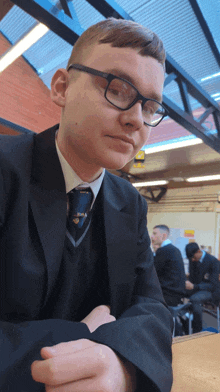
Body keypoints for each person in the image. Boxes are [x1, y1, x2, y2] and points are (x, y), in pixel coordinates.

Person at [0, 18, 173, 392]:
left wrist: (123, 364)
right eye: (118, 88)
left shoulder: (130, 204)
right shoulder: (4, 170)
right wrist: (81, 335)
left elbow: (153, 308)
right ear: (61, 87)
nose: (134, 119)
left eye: (150, 106)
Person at [185, 242, 220, 333]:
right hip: (197, 288)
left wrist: (194, 286)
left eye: (193, 257)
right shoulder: (192, 259)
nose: (192, 260)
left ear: (199, 251)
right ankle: (184, 321)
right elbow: (192, 277)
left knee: (195, 299)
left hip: (211, 291)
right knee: (177, 291)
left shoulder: (214, 262)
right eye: (190, 258)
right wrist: (187, 283)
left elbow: (213, 285)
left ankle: (197, 330)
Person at [151, 225, 186, 306]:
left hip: (168, 295)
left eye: (154, 233)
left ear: (164, 236)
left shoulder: (164, 251)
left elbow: (153, 272)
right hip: (176, 294)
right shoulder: (174, 249)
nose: (152, 236)